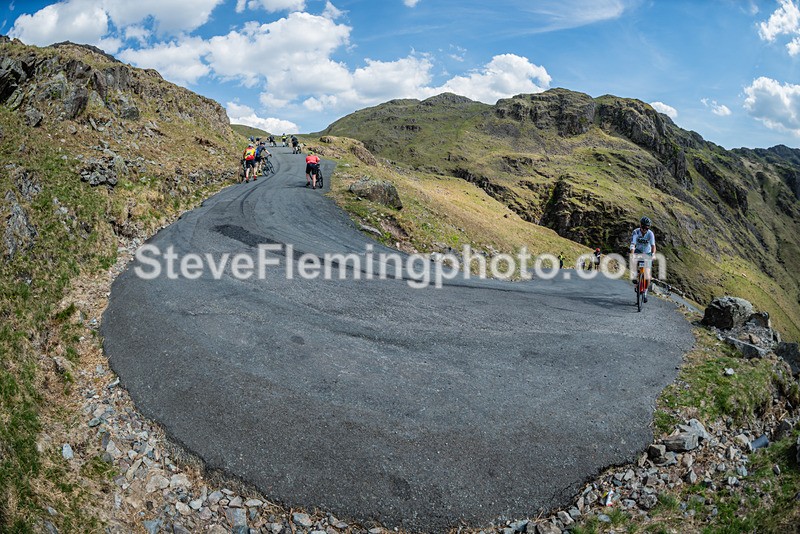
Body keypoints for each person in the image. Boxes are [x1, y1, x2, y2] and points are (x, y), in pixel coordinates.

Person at [630, 216, 656, 302]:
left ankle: (645, 292)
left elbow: (653, 246)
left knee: (647, 275)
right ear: (640, 225)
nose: (645, 229)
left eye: (647, 227)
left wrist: (653, 254)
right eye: (643, 227)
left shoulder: (650, 234)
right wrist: (632, 254)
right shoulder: (636, 232)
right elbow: (633, 244)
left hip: (647, 253)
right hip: (638, 251)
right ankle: (635, 275)